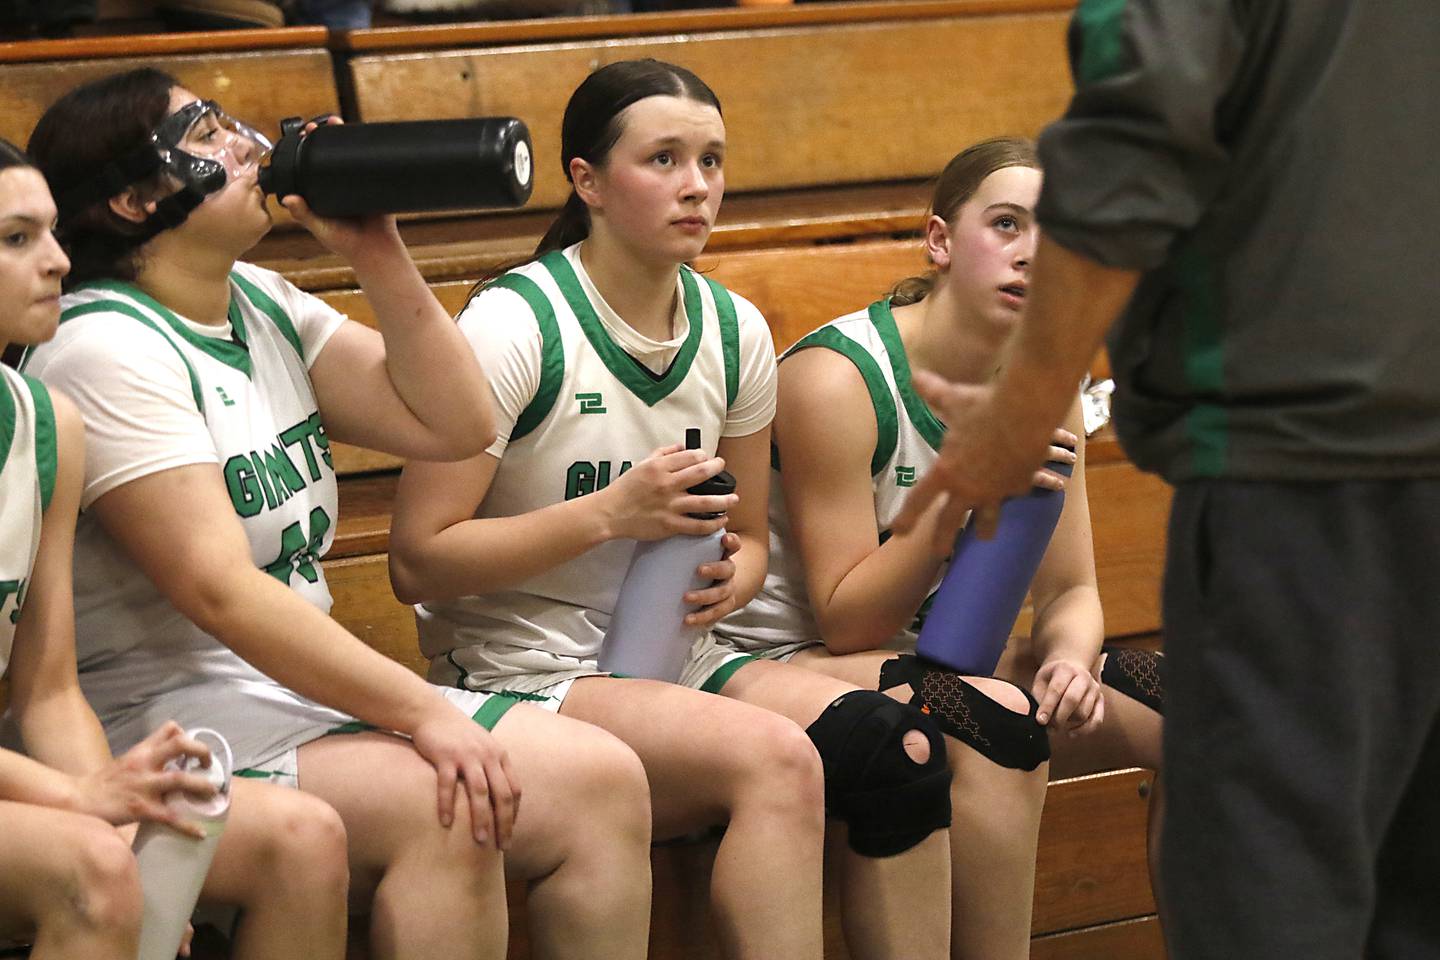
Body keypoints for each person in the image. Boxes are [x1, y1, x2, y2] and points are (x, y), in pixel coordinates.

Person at [22, 68, 653, 960]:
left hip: (287, 693)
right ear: (133, 199)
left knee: (603, 779)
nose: (246, 142)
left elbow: (458, 424)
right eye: (204, 133)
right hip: (169, 716)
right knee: (457, 807)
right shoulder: (104, 345)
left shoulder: (258, 299)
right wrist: (423, 713)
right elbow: (222, 593)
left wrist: (375, 249)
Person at [892, 3, 1440, 958]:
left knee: (1279, 884)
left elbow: (1130, 148)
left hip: (1310, 467)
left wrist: (1022, 411)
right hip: (1358, 445)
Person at [389, 58, 959, 960]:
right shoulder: (514, 324)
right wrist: (610, 515)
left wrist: (735, 576)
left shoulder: (736, 330)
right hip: (521, 669)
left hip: (677, 657)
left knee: (906, 747)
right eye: (663, 160)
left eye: (712, 161)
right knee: (776, 763)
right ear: (588, 182)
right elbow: (417, 559)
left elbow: (755, 543)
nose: (697, 187)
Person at [713, 137, 1165, 959]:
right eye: (1006, 224)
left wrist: (1068, 657)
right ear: (940, 241)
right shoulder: (837, 379)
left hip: (943, 653)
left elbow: (1071, 590)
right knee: (997, 717)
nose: (1034, 252)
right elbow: (850, 622)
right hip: (790, 660)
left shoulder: (1048, 383)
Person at [0, 135, 220, 960]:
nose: (58, 261)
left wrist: (123, 825)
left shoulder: (45, 423)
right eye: (16, 239)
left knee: (256, 845)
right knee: (92, 868)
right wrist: (77, 798)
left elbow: (49, 691)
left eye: (53, 232)